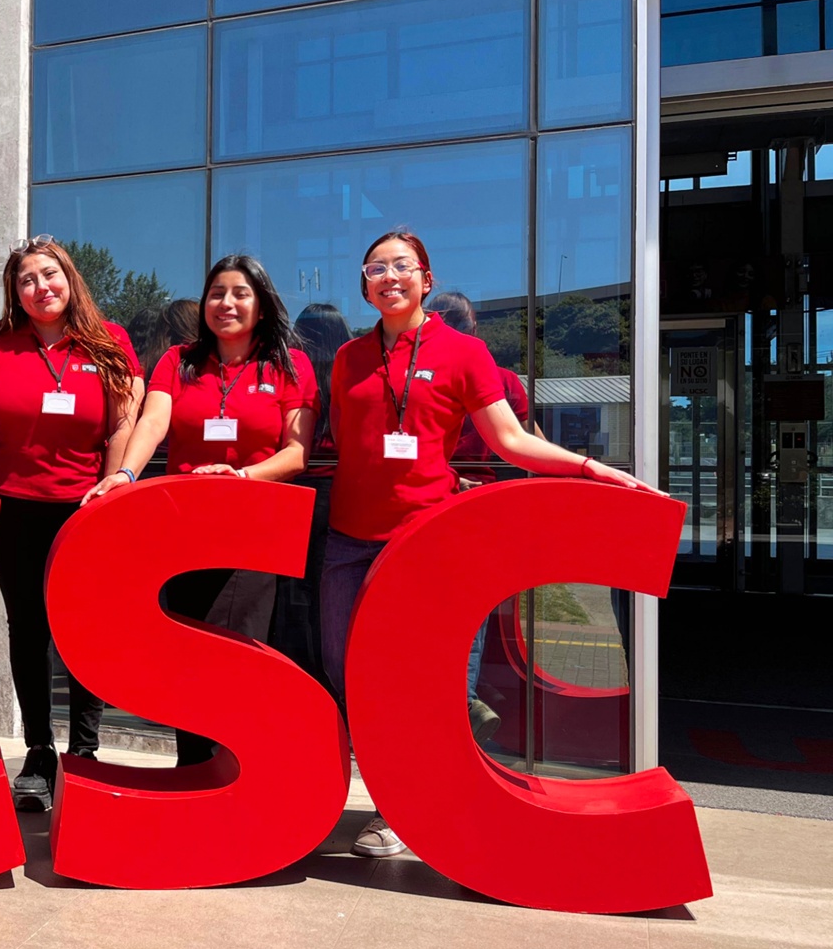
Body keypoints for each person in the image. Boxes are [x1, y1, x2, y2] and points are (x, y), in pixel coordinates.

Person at [323, 229, 656, 859]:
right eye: (375, 268)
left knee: (441, 681)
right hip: (348, 539)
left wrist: (588, 468)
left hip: (428, 538)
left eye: (402, 266)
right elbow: (346, 440)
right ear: (364, 286)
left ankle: (411, 809)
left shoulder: (465, 351)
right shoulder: (348, 359)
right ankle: (392, 790)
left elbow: (508, 439)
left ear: (427, 278)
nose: (388, 276)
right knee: (351, 676)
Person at [87, 254, 318, 766]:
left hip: (253, 530)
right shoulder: (178, 361)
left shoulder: (288, 365)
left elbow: (298, 452)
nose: (226, 304)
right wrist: (124, 474)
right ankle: (195, 776)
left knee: (235, 656)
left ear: (261, 303)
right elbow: (152, 423)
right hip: (185, 531)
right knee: (186, 657)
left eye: (240, 293)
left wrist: (241, 478)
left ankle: (235, 772)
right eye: (217, 294)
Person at [0, 235, 143, 811]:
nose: (40, 287)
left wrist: (115, 480)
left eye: (49, 275)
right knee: (28, 629)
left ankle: (86, 753)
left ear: (69, 279)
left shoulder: (108, 341)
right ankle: (40, 751)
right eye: (26, 279)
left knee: (85, 631)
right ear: (13, 292)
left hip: (83, 507)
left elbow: (124, 421)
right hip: (11, 506)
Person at [425, 289, 531, 744]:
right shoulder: (505, 380)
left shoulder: (418, 372)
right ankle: (462, 699)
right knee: (467, 613)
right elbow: (523, 443)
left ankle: (454, 700)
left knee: (426, 611)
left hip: (432, 500)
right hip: (484, 505)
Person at [270, 302, 353, 685]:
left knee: (290, 596)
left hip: (291, 489)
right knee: (332, 597)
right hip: (340, 491)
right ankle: (331, 685)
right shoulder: (350, 373)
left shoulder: (292, 371)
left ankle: (294, 678)